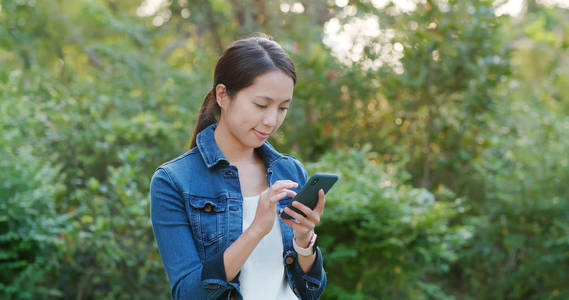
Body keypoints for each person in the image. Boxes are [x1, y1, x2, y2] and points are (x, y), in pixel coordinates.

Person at [150, 35, 327, 300]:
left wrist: (304, 243)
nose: (271, 120)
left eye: (282, 108)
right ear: (223, 95)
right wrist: (256, 230)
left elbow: (309, 291)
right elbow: (188, 294)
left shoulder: (290, 172)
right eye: (261, 105)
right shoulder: (173, 181)